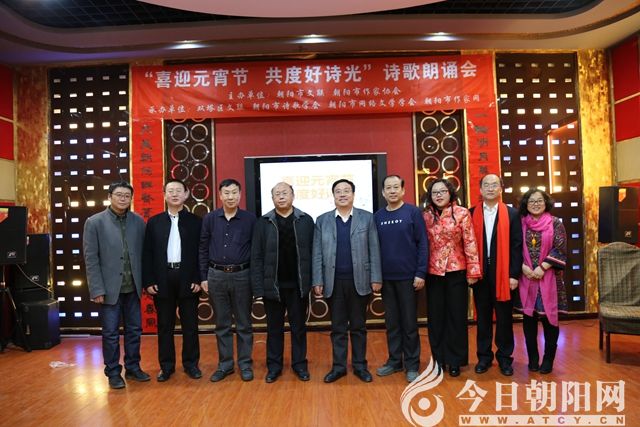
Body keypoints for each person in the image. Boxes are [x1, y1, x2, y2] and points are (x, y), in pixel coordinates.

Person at [312, 178, 382, 383]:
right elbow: (317, 253)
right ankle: (339, 367)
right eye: (338, 191)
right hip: (333, 282)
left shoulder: (366, 218)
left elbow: (374, 249)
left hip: (360, 280)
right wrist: (317, 279)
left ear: (353, 194)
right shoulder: (322, 220)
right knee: (338, 328)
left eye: (346, 191)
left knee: (359, 327)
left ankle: (360, 366)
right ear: (333, 195)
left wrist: (376, 277)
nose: (342, 194)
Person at [83, 181, 150, 389]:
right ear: (109, 196)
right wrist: (97, 289)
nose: (123, 198)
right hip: (109, 289)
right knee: (110, 333)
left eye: (127, 195)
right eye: (119, 194)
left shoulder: (138, 222)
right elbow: (91, 258)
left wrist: (146, 283)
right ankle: (113, 372)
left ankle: (133, 367)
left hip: (133, 288)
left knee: (134, 330)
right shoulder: (94, 222)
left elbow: (145, 254)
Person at [251, 182, 314, 383]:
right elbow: (256, 256)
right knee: (274, 329)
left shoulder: (305, 220)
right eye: (277, 194)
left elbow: (314, 254)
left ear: (293, 196)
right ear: (272, 198)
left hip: (298, 286)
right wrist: (258, 288)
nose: (281, 196)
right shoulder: (263, 222)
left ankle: (300, 365)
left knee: (298, 329)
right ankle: (274, 367)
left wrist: (313, 282)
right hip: (273, 286)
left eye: (284, 193)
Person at [142, 179, 203, 382]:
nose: (174, 194)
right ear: (164, 195)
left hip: (188, 278)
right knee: (164, 326)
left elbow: (201, 253)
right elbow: (147, 253)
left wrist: (198, 278)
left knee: (190, 325)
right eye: (170, 191)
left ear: (186, 194)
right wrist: (149, 280)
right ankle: (166, 366)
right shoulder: (154, 222)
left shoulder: (196, 221)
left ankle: (191, 364)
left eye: (178, 190)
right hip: (163, 277)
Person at [199, 178, 256, 382]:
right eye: (226, 193)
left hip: (243, 275)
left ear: (240, 195)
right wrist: (203, 276)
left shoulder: (250, 219)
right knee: (221, 323)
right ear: (220, 195)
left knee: (244, 323)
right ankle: (225, 365)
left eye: (234, 193)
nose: (230, 197)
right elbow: (203, 248)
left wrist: (254, 279)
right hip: (216, 275)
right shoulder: (210, 218)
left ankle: (245, 364)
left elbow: (256, 251)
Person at [422, 178, 481, 377]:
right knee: (436, 318)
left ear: (450, 193)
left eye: (442, 191)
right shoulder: (425, 216)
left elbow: (470, 242)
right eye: (434, 192)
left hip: (457, 271)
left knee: (456, 317)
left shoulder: (462, 213)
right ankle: (438, 360)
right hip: (433, 273)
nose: (438, 195)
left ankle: (455, 360)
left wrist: (473, 271)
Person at [374, 175, 428, 383]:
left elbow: (423, 244)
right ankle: (395, 361)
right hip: (387, 279)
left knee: (409, 324)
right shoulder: (378, 216)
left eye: (396, 187)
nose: (392, 191)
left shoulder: (413, 212)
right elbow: (374, 248)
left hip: (409, 278)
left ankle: (412, 364)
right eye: (388, 188)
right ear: (383, 192)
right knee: (392, 323)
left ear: (403, 190)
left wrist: (420, 273)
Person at [469, 174, 523, 376]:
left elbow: (517, 246)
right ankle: (484, 357)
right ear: (480, 189)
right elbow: (468, 246)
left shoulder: (512, 214)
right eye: (486, 185)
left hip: (504, 275)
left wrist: (514, 275)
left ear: (501, 188)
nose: (490, 188)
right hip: (480, 274)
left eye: (494, 185)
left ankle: (505, 358)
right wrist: (471, 271)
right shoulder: (471, 213)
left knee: (504, 319)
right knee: (482, 318)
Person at [515, 188, 568, 374]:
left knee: (549, 321)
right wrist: (523, 267)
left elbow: (560, 249)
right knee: (529, 320)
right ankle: (533, 359)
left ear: (546, 203)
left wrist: (542, 267)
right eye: (531, 201)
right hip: (526, 278)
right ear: (526, 204)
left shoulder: (555, 223)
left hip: (549, 279)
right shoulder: (520, 223)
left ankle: (548, 360)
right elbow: (514, 247)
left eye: (539, 201)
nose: (535, 204)